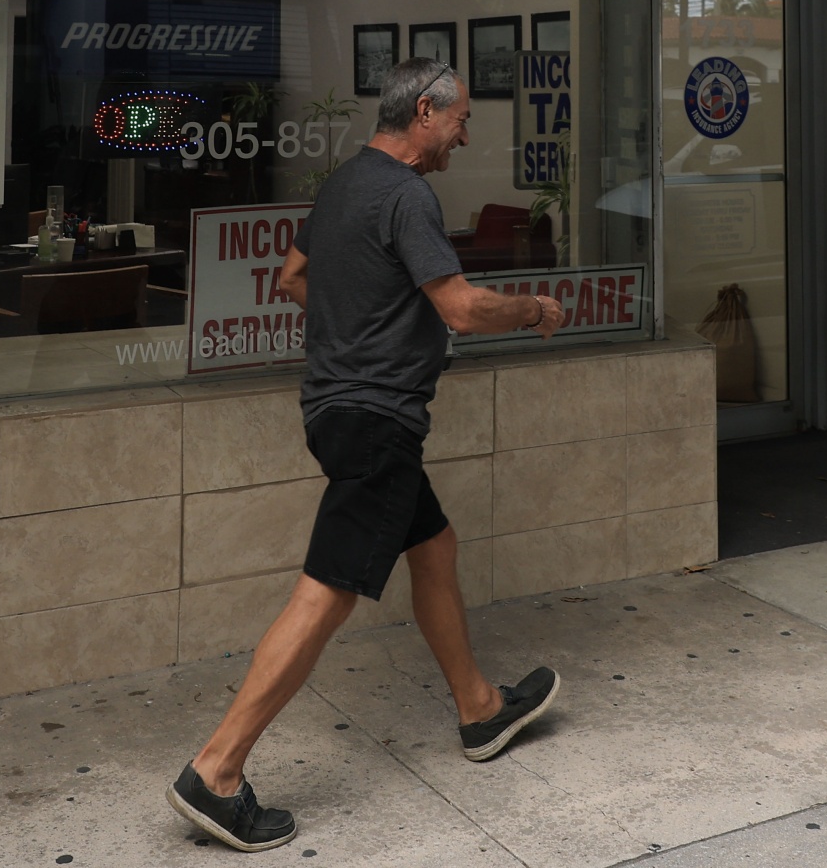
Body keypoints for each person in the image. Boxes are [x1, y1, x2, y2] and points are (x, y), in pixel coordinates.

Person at [168, 58, 567, 853]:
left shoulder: (344, 184)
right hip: (378, 419)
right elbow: (461, 308)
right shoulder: (408, 195)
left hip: (336, 411)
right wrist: (532, 309)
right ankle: (216, 770)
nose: (463, 136)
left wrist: (359, 324)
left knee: (434, 546)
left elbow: (292, 278)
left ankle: (480, 708)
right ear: (425, 112)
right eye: (460, 120)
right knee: (327, 593)